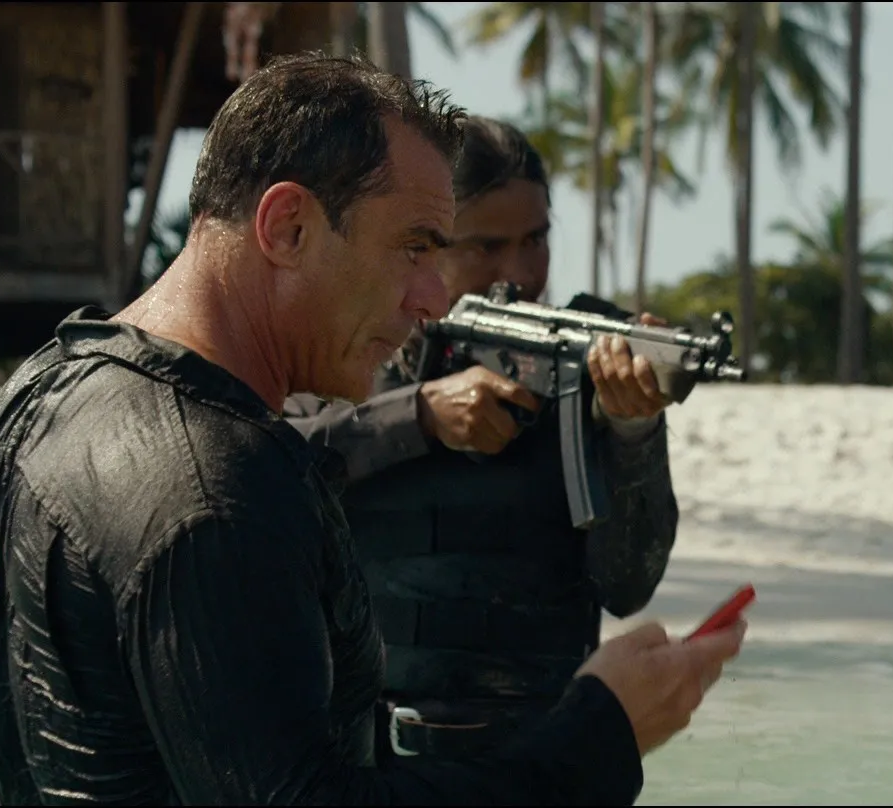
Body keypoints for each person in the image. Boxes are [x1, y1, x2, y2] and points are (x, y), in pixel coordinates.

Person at [0, 53, 743, 806]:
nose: (434, 297)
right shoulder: (221, 487)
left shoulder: (13, 416)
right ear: (288, 227)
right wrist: (599, 738)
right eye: (415, 247)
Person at [281, 115, 682, 759]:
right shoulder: (350, 357)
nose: (519, 272)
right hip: (370, 756)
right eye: (486, 247)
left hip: (542, 754)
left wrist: (633, 428)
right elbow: (262, 466)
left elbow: (629, 585)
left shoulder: (584, 367)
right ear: (422, 244)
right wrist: (418, 418)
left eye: (536, 239)